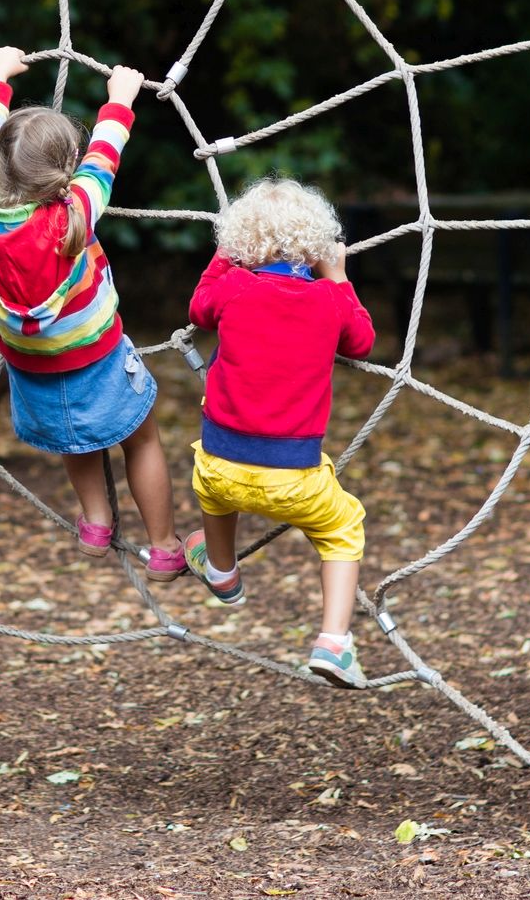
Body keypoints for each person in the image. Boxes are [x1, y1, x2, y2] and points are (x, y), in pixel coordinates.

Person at [0, 46, 184, 580]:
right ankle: (165, 545)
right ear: (64, 171)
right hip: (96, 358)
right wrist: (120, 101)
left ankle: (97, 522)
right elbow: (105, 154)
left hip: (29, 366)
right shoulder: (73, 213)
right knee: (142, 438)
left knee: (74, 439)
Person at [182, 178, 376, 686]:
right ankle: (334, 643)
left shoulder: (232, 286)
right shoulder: (328, 301)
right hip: (294, 477)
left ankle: (222, 571)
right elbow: (362, 342)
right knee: (342, 528)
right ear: (315, 245)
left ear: (242, 243)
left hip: (219, 464)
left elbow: (198, 308)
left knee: (215, 491)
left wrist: (224, 258)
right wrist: (337, 277)